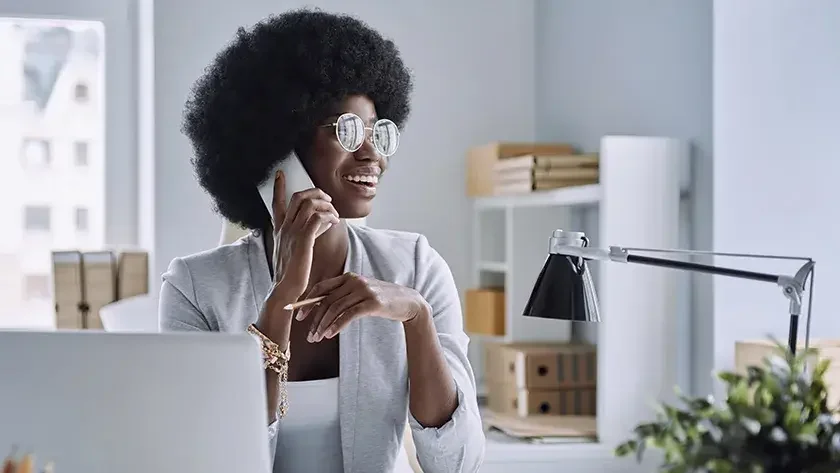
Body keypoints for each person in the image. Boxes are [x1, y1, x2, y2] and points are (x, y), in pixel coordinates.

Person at [159, 8, 485, 473]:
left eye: (380, 132)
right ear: (279, 147)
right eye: (347, 130)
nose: (371, 153)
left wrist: (417, 316)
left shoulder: (414, 267)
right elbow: (209, 457)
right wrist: (282, 298)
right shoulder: (195, 287)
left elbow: (456, 464)